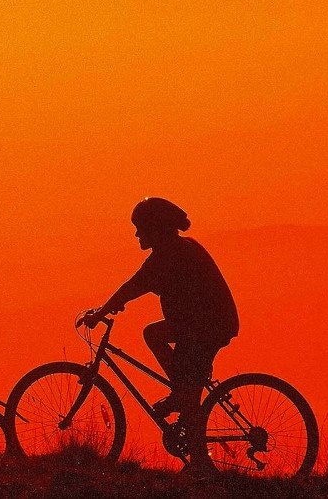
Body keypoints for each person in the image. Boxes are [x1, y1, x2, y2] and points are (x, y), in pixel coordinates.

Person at [80, 197, 239, 474]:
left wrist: (100, 313)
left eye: (140, 228)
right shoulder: (178, 248)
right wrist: (106, 307)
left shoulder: (169, 254)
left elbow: (133, 287)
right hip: (201, 325)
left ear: (155, 229)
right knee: (154, 334)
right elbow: (135, 286)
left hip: (204, 328)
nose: (137, 234)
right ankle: (180, 392)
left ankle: (201, 464)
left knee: (189, 394)